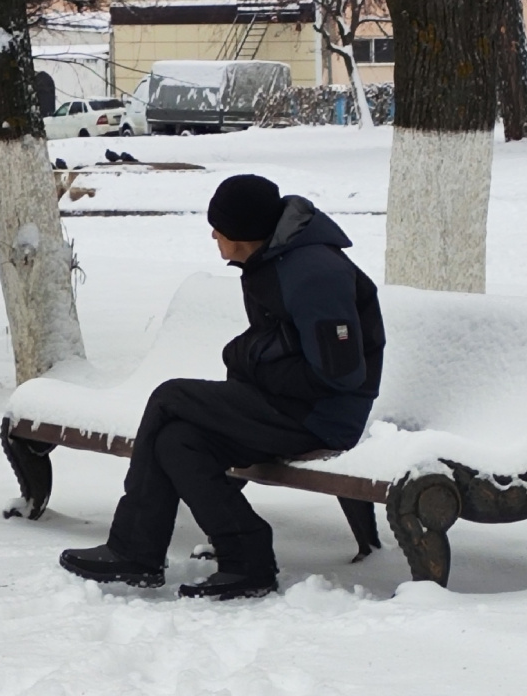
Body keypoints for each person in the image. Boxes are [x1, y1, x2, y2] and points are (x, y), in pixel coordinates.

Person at [59, 174, 385, 600]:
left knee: (169, 396)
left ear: (243, 234)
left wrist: (254, 360)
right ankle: (246, 558)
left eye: (220, 227)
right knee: (178, 441)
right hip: (289, 405)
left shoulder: (313, 273)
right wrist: (256, 353)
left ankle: (135, 550)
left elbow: (340, 374)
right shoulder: (275, 257)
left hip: (323, 416)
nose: (213, 234)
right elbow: (285, 342)